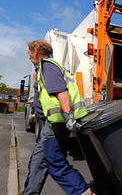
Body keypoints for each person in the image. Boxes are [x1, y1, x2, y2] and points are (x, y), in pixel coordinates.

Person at [23, 39, 94, 194]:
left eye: (29, 52)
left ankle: (82, 191)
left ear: (36, 51)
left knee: (55, 162)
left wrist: (68, 116)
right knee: (37, 163)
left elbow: (61, 91)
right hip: (52, 124)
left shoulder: (47, 66)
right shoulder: (46, 67)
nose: (28, 56)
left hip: (56, 124)